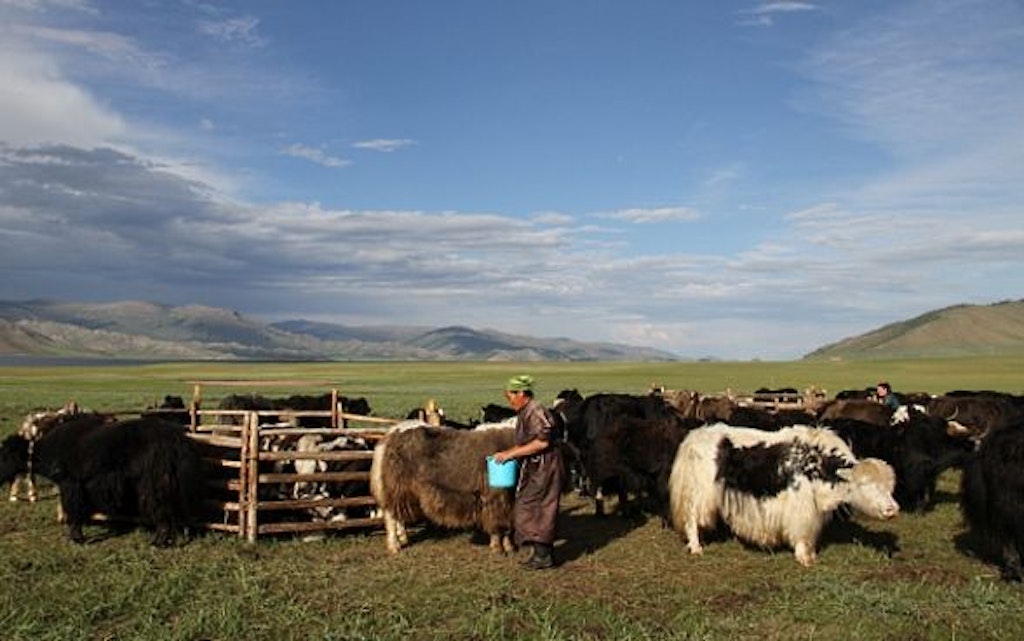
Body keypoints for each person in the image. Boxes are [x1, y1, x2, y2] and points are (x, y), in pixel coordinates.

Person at [492, 374, 564, 570]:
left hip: (545, 466)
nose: (509, 401)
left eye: (510, 397)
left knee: (539, 506)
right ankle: (540, 552)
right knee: (532, 506)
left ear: (522, 393)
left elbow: (542, 441)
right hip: (535, 465)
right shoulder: (526, 411)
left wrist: (510, 453)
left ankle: (543, 555)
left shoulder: (535, 411)